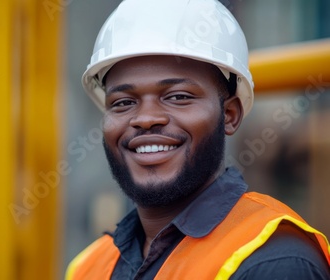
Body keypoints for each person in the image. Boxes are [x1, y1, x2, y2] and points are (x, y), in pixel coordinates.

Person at [66, 0, 330, 279]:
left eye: (178, 97)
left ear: (229, 115)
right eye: (123, 102)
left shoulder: (273, 262)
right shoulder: (89, 267)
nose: (145, 118)